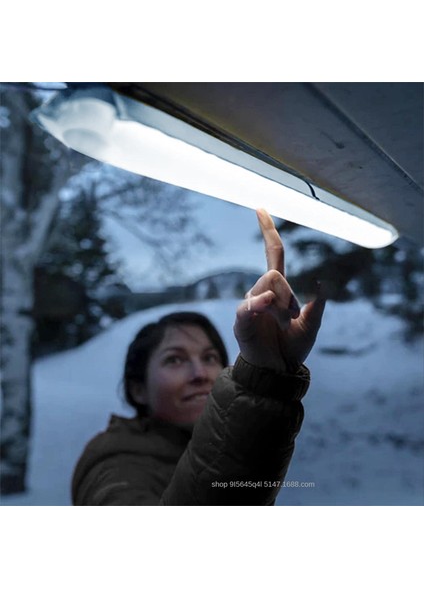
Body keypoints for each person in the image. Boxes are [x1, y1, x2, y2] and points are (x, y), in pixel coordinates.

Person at [72, 209, 326, 505]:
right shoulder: (113, 465)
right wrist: (263, 382)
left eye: (209, 358)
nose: (200, 374)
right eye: (174, 360)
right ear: (138, 389)